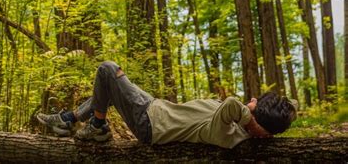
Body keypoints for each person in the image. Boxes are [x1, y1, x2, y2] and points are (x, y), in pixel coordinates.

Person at [37, 61, 297, 148]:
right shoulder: (234, 125)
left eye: (254, 103)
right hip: (154, 108)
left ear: (255, 118)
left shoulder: (229, 134)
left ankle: (98, 127)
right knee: (107, 89)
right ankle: (68, 120)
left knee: (108, 70)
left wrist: (251, 117)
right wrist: (276, 116)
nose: (250, 100)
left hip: (149, 123)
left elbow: (231, 104)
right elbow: (287, 108)